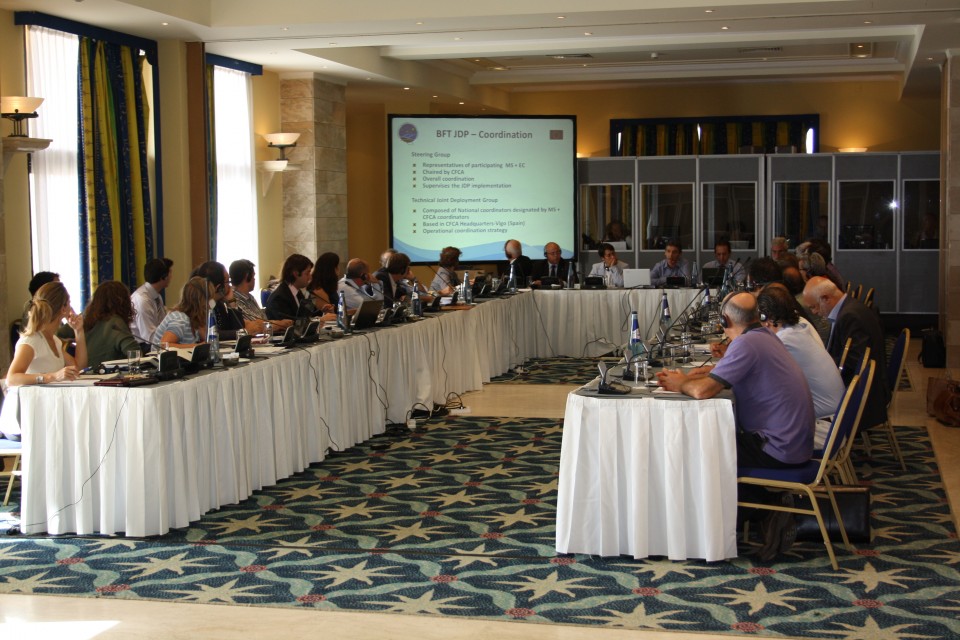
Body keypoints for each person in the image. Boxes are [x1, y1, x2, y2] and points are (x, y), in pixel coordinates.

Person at [657, 292, 814, 560]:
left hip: (777, 449)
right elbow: (735, 370)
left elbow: (702, 392)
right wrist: (705, 373)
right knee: (714, 441)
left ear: (724, 320)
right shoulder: (764, 337)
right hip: (796, 443)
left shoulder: (747, 343)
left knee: (698, 447)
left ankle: (754, 513)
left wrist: (680, 383)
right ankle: (764, 507)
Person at [803, 276, 889, 431]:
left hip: (865, 395)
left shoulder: (850, 316)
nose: (815, 312)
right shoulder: (848, 309)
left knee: (803, 398)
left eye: (814, 307)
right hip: (863, 385)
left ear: (826, 298)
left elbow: (854, 362)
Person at [757, 284, 845, 433]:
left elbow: (758, 375)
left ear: (764, 316)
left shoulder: (784, 341)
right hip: (836, 416)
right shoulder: (801, 326)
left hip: (824, 426)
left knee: (756, 416)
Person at [6, 281, 88, 388]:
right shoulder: (32, 340)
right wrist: (52, 376)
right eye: (69, 302)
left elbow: (79, 368)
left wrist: (78, 330)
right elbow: (11, 378)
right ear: (63, 309)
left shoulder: (54, 340)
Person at [82, 280, 142, 369]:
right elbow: (135, 354)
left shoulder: (84, 319)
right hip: (109, 374)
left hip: (85, 373)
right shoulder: (116, 322)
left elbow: (61, 334)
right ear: (123, 301)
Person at [229, 259, 293, 334]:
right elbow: (257, 326)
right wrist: (280, 324)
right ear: (247, 276)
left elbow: (263, 320)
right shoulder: (234, 300)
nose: (254, 279)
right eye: (253, 276)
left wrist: (278, 324)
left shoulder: (250, 297)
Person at [153, 277, 214, 348]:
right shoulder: (180, 319)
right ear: (200, 301)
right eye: (209, 299)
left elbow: (208, 340)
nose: (211, 303)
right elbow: (164, 345)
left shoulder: (193, 319)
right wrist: (197, 346)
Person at [192, 261, 244, 339]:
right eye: (228, 281)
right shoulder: (199, 307)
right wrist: (241, 332)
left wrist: (232, 304)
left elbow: (236, 329)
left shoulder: (217, 304)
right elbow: (210, 334)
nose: (230, 286)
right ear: (219, 287)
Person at [130, 258, 173, 346]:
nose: (171, 276)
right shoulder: (142, 300)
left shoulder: (156, 296)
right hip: (142, 346)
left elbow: (162, 325)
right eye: (170, 273)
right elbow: (149, 338)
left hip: (154, 342)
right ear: (163, 276)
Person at [265, 254, 315, 321]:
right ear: (296, 273)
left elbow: (304, 316)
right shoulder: (279, 298)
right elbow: (290, 323)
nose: (310, 277)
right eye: (307, 273)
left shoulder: (298, 292)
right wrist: (319, 320)